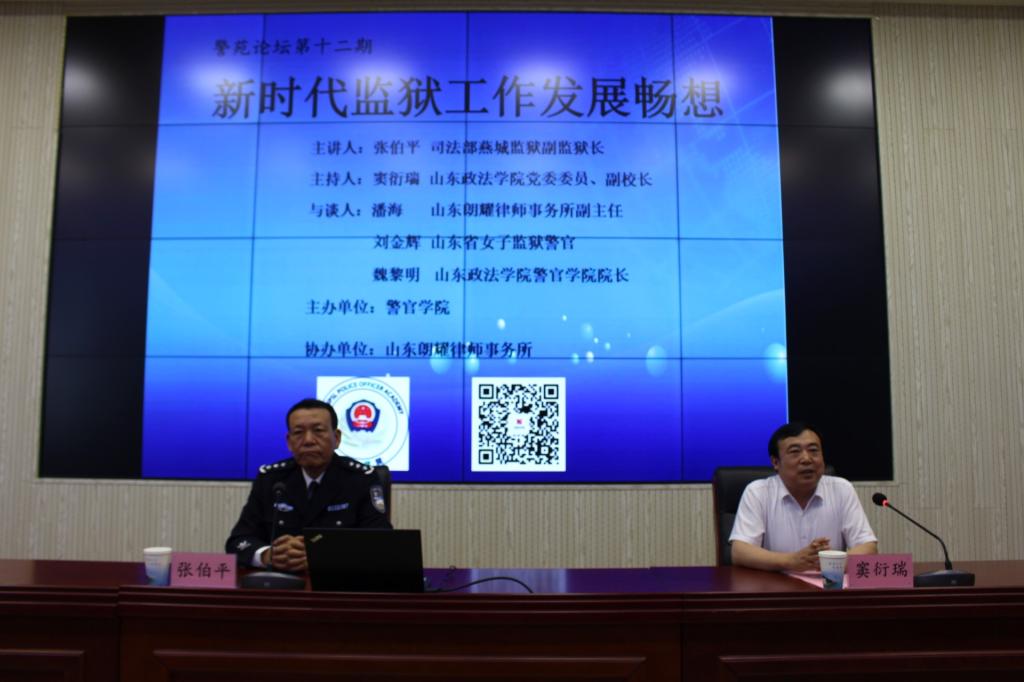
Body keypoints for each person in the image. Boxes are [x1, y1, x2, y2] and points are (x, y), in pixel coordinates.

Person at [226, 398, 391, 572]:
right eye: (298, 432)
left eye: (318, 431)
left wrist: (323, 556)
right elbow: (238, 541)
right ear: (289, 441)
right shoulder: (271, 480)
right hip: (281, 582)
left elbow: (381, 542)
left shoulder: (360, 479)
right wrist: (267, 555)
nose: (308, 440)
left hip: (338, 583)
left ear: (336, 438)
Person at [729, 422, 877, 572]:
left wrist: (828, 564)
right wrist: (791, 561)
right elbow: (740, 552)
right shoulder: (758, 492)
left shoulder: (842, 489)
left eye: (813, 450)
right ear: (775, 462)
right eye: (795, 452)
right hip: (776, 584)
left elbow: (868, 547)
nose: (806, 459)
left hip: (828, 583)